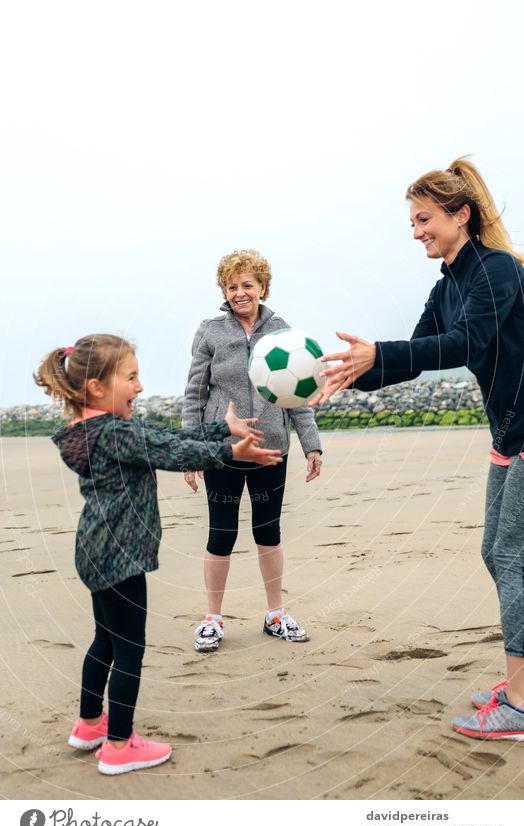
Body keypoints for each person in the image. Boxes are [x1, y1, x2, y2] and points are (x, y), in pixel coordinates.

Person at [313, 157, 524, 740]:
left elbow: (464, 344)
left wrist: (377, 353)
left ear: (461, 214)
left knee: (513, 557)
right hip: (509, 436)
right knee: (496, 553)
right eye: (412, 222)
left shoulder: (497, 270)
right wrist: (350, 375)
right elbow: (418, 350)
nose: (416, 232)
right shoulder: (449, 284)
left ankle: (521, 705)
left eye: (425, 218)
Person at [34, 333, 281, 774]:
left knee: (105, 642)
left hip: (94, 549)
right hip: (120, 552)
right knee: (130, 650)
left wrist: (222, 428)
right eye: (131, 377)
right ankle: (118, 745)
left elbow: (161, 438)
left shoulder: (90, 431)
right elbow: (170, 450)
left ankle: (90, 723)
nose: (140, 386)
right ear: (96, 387)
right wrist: (229, 452)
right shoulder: (113, 433)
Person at [183, 250, 323, 652]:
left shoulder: (282, 331)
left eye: (248, 285)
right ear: (223, 291)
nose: (240, 293)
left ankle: (275, 614)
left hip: (271, 450)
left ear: (263, 287)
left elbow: (297, 393)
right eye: (232, 286)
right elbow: (194, 393)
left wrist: (311, 444)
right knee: (220, 534)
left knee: (269, 532)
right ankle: (212, 620)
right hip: (222, 451)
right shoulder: (210, 331)